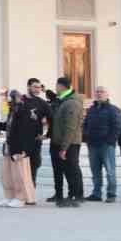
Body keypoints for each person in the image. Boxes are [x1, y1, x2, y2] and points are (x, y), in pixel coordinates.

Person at [2, 91, 42, 207]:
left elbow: (25, 131)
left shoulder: (23, 110)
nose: (10, 101)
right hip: (10, 145)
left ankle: (23, 197)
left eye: (11, 98)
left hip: (20, 147)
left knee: (20, 174)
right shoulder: (12, 111)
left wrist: (23, 149)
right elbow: (8, 126)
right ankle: (10, 196)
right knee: (8, 174)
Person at [50, 77, 85, 207]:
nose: (55, 88)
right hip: (59, 142)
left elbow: (71, 126)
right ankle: (61, 196)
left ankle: (75, 196)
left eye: (56, 85)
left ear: (61, 86)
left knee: (71, 169)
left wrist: (64, 147)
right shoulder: (62, 101)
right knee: (60, 170)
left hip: (69, 143)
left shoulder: (72, 103)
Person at [82, 86, 121, 201]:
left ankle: (111, 194)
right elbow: (85, 125)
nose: (99, 94)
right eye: (97, 92)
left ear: (107, 94)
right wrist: (86, 138)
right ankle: (96, 193)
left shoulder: (113, 109)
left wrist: (110, 141)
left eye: (102, 92)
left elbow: (117, 127)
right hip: (92, 145)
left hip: (106, 145)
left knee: (110, 171)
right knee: (95, 171)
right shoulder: (91, 109)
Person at [22, 78, 52, 196]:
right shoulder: (21, 101)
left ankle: (30, 194)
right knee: (21, 169)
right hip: (20, 141)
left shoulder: (42, 103)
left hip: (35, 141)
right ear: (28, 87)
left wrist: (47, 135)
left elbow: (51, 119)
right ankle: (21, 194)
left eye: (39, 87)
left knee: (33, 167)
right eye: (35, 87)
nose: (37, 90)